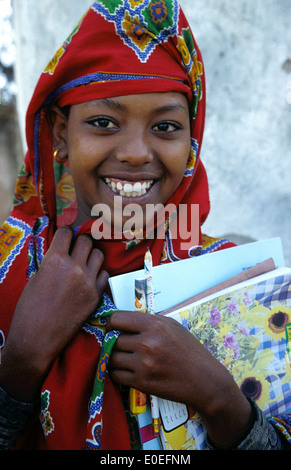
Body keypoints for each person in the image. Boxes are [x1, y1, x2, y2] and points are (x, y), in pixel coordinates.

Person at [0, 0, 290, 450]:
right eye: (102, 122)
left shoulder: (242, 284)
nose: (136, 152)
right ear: (60, 133)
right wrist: (21, 360)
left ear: (191, 141)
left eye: (166, 126)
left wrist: (219, 400)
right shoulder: (7, 269)